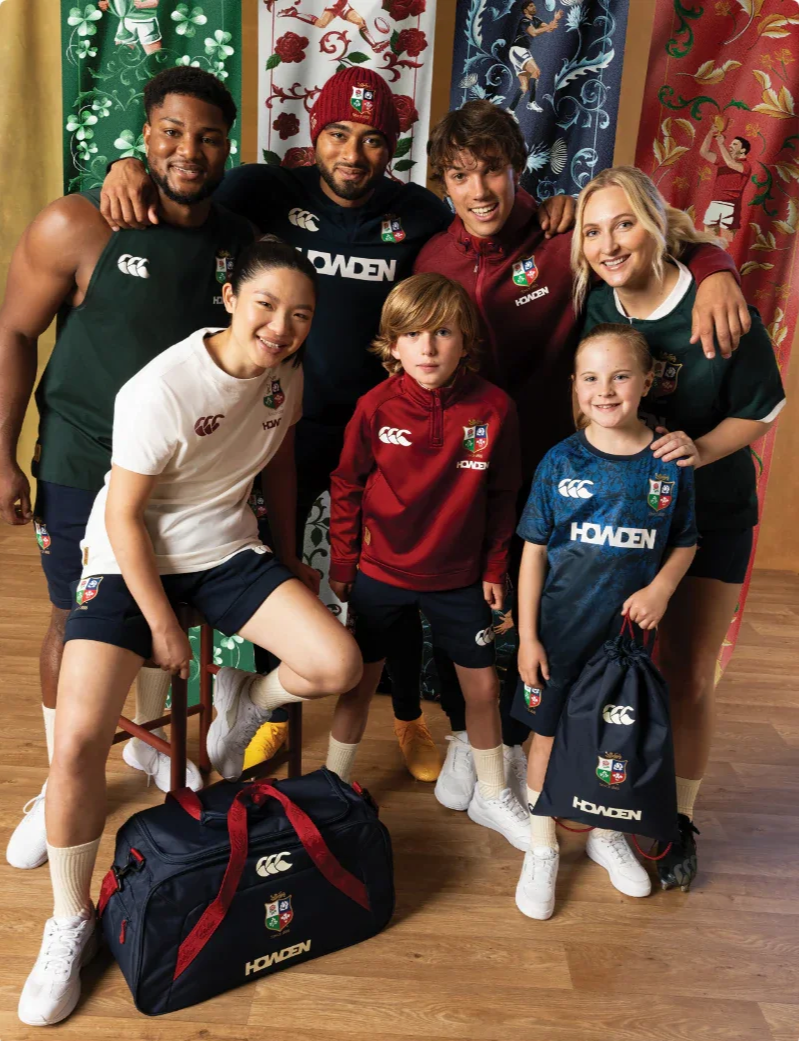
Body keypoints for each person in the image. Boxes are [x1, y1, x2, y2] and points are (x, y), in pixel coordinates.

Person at [98, 71, 576, 779]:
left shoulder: (419, 211)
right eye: (338, 134)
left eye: (374, 138)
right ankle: (262, 716)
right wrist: (127, 165)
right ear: (311, 139)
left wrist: (554, 203)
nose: (354, 152)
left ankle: (411, 715)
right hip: (279, 422)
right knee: (278, 555)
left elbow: (485, 209)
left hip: (387, 423)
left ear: (393, 151)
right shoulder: (266, 191)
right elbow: (184, 185)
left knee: (406, 570)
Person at [17, 237, 363, 1028]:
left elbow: (275, 464)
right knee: (75, 742)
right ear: (231, 297)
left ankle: (242, 706)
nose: (281, 326)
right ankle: (70, 920)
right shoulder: (164, 387)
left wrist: (284, 561)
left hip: (225, 550)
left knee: (334, 660)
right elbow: (122, 514)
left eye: (300, 314)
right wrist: (165, 627)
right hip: (130, 552)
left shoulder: (286, 374)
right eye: (267, 305)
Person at [410, 100, 749, 814]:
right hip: (469, 465)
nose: (479, 192)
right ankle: (470, 740)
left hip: (570, 466)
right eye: (460, 177)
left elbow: (658, 240)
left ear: (518, 169)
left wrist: (716, 266)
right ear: (443, 183)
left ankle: (553, 754)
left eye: (493, 171)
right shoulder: (434, 253)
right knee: (469, 599)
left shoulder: (565, 231)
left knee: (565, 619)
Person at [0, 67, 255, 872]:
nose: (189, 151)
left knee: (159, 614)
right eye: (172, 133)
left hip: (190, 478)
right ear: (143, 137)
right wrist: (0, 454)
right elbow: (12, 333)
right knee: (73, 622)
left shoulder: (242, 247)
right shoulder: (79, 225)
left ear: (229, 146)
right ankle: (59, 779)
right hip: (82, 461)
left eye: (208, 136)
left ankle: (150, 746)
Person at [575, 165, 786, 890]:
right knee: (617, 663)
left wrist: (699, 450)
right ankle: (608, 794)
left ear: (656, 224)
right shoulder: (598, 307)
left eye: (624, 223)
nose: (609, 242)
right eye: (593, 231)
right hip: (625, 517)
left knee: (689, 671)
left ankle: (679, 815)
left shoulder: (712, 300)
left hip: (712, 509)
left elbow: (762, 407)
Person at [324, 272, 531, 848]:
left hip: (460, 579)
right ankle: (333, 787)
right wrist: (344, 562)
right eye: (413, 334)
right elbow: (346, 484)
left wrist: (494, 568)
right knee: (357, 686)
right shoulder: (373, 407)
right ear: (393, 345)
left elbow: (502, 494)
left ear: (467, 340)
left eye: (443, 332)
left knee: (484, 691)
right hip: (379, 575)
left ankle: (493, 794)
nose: (429, 346)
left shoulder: (494, 409)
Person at [512, 324, 697, 920]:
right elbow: (534, 551)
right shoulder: (560, 461)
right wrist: (528, 636)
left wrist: (662, 588)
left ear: (647, 382)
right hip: (561, 635)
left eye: (620, 376)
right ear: (575, 386)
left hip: (626, 645)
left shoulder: (669, 463)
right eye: (591, 378)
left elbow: (686, 542)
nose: (606, 390)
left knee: (614, 738)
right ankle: (541, 846)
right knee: (546, 736)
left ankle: (604, 831)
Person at [506, 0, 563, 113]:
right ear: (525, 10)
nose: (534, 7)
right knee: (536, 71)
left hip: (520, 51)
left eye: (534, 5)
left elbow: (549, 28)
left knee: (525, 87)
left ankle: (510, 111)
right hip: (518, 50)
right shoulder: (525, 20)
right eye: (531, 6)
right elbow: (534, 33)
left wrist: (556, 19)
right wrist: (548, 27)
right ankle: (531, 102)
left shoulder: (535, 20)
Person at [699, 125, 752, 245]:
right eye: (730, 144)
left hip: (730, 206)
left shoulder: (745, 166)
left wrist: (721, 144)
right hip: (715, 203)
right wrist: (710, 133)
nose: (730, 146)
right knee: (708, 240)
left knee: (727, 242)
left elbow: (730, 163)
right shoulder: (723, 161)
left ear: (743, 150)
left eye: (734, 144)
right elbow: (704, 152)